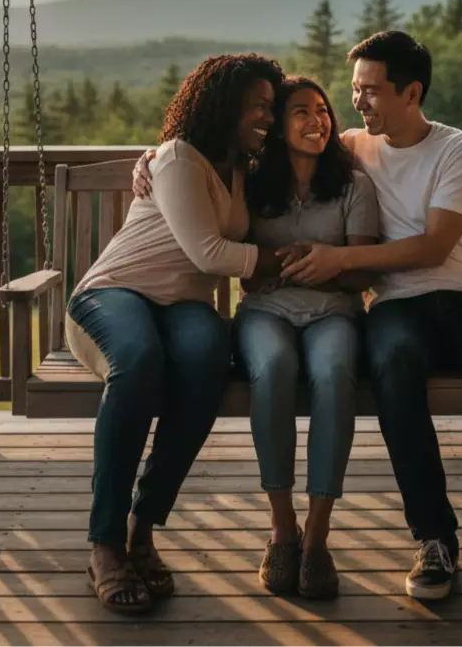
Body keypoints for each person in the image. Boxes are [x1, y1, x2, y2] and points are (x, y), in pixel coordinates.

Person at [278, 31, 462, 607]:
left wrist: (342, 259)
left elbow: (432, 247)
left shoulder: (459, 150)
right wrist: (156, 156)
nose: (359, 103)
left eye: (372, 91)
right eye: (355, 90)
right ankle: (434, 538)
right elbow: (274, 144)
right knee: (393, 363)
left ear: (412, 91)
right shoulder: (353, 145)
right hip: (397, 305)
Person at [65, 53, 293, 614]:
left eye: (271, 106)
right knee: (139, 362)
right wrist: (292, 260)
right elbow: (209, 252)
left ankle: (143, 527)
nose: (267, 115)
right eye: (257, 106)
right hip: (115, 293)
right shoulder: (176, 157)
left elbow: (331, 144)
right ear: (224, 105)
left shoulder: (242, 166)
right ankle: (104, 544)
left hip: (182, 305)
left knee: (206, 358)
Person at [235, 76, 379, 599]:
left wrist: (321, 265)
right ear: (277, 126)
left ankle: (317, 536)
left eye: (322, 110)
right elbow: (249, 277)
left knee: (335, 373)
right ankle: (282, 529)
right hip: (265, 312)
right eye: (300, 111)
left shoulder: (353, 186)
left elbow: (360, 275)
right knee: (272, 369)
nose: (316, 120)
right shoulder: (251, 182)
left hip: (333, 312)